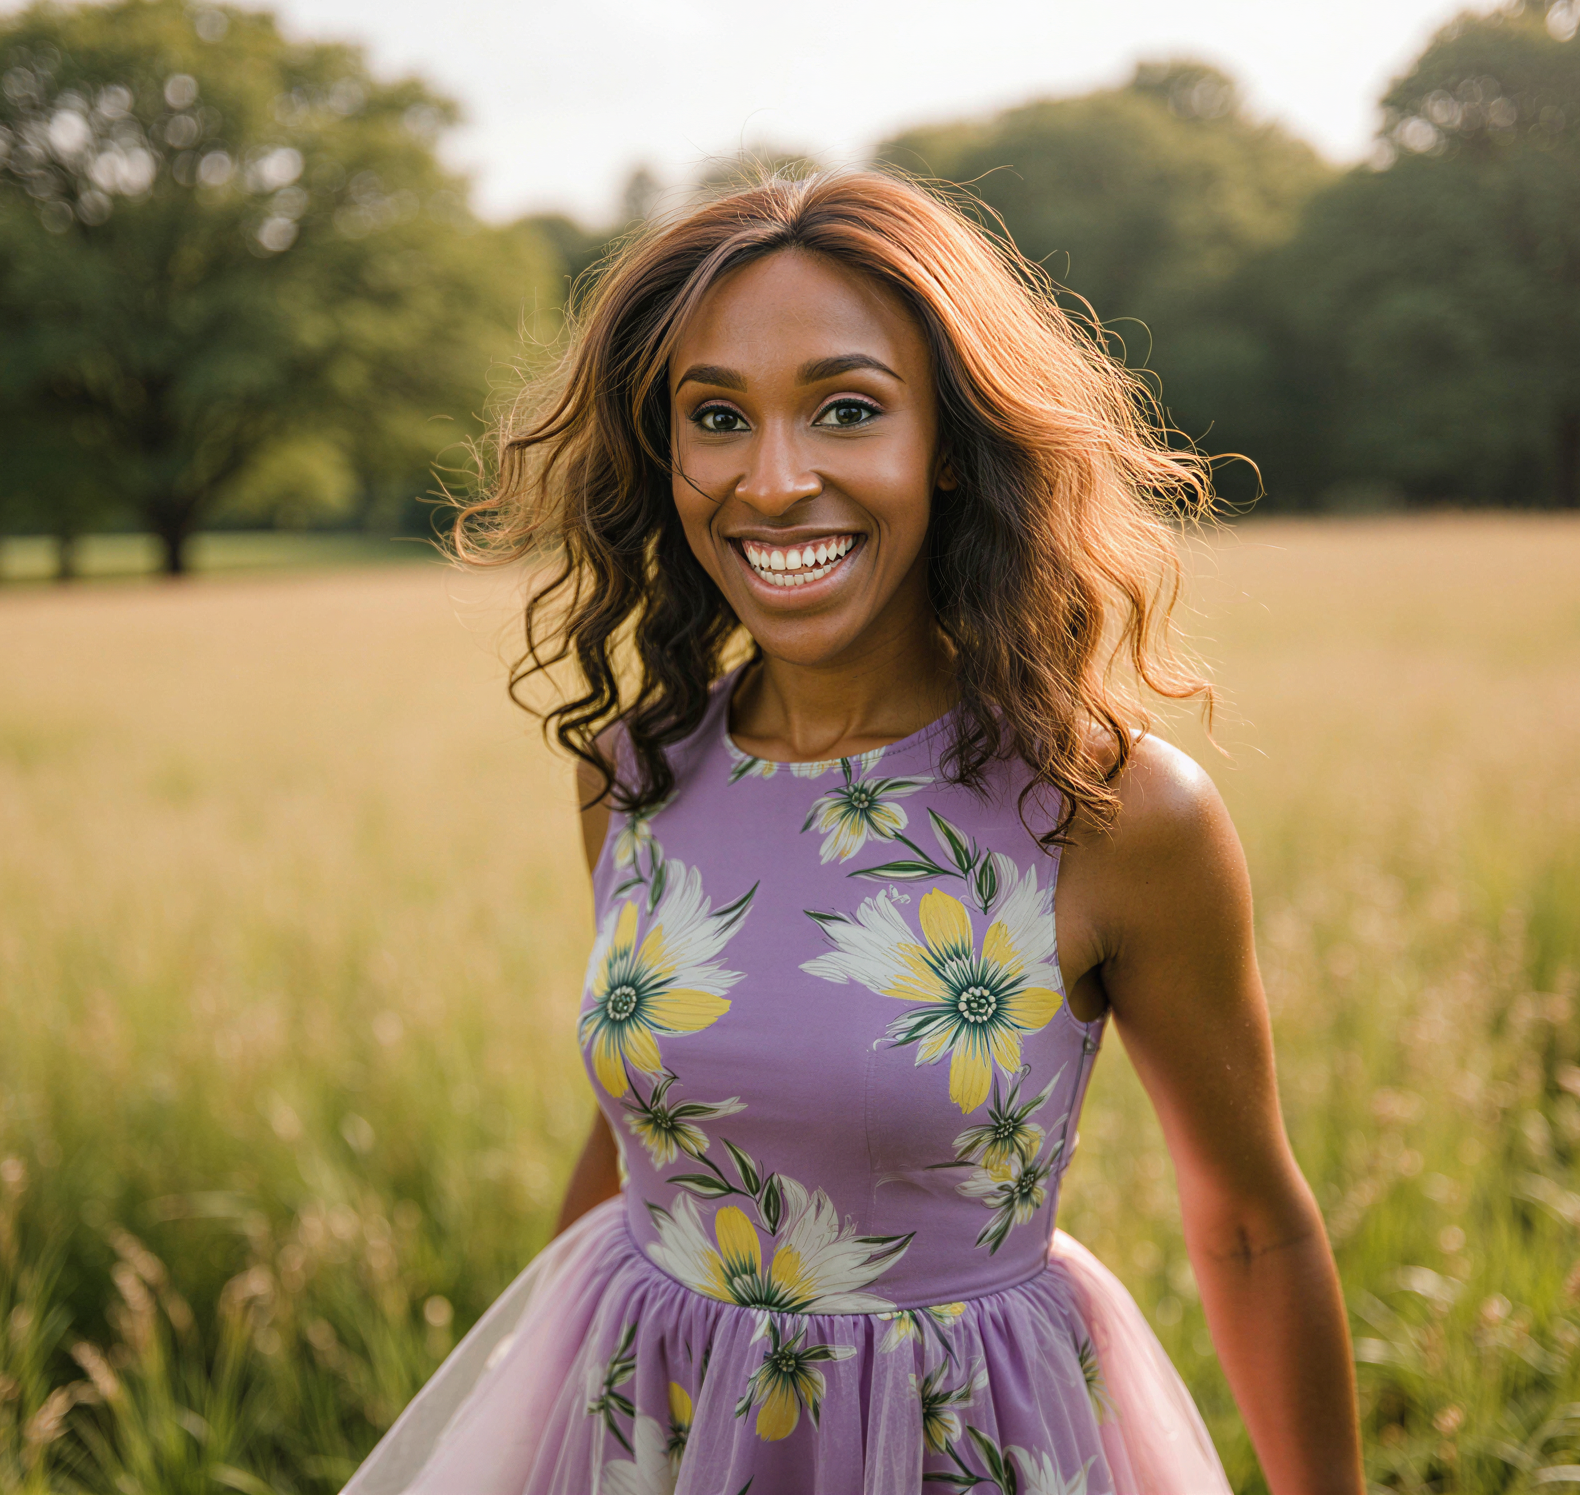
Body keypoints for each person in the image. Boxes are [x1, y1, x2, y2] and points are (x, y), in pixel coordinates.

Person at [342, 170, 1362, 1495]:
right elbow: (642, 1138)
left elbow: (1251, 1226)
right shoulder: (633, 772)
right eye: (718, 418)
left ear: (950, 442)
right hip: (662, 1429)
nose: (773, 483)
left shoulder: (1112, 813)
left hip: (962, 1444)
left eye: (848, 409)